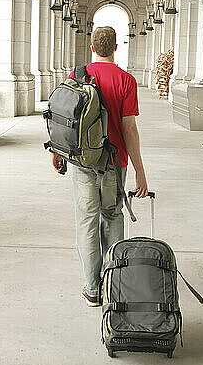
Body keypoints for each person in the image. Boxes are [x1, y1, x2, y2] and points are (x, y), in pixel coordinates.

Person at [51, 26, 148, 306]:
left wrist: (57, 152)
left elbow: (63, 119)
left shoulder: (77, 75)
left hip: (83, 162)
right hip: (115, 164)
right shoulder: (126, 81)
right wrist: (140, 171)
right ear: (116, 48)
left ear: (92, 48)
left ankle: (93, 289)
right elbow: (129, 129)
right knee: (113, 216)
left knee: (86, 221)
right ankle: (113, 282)